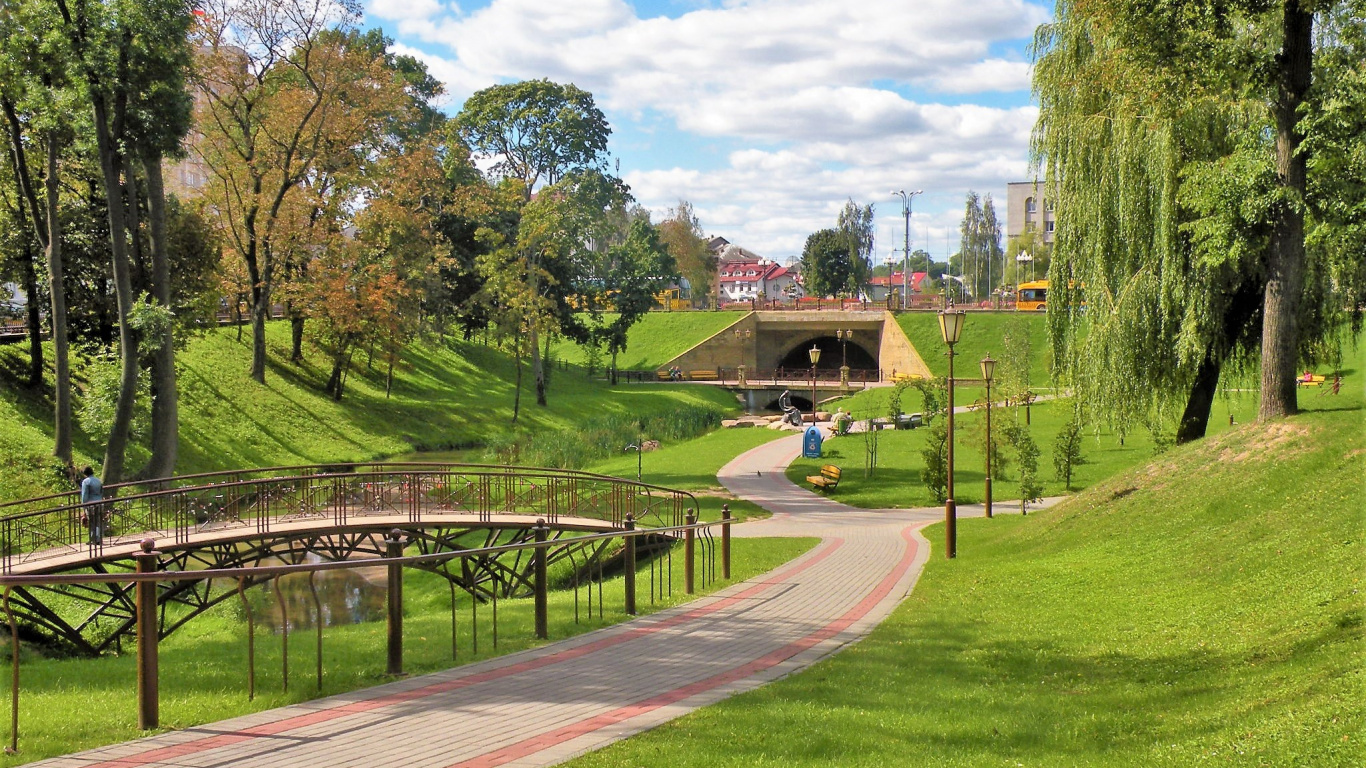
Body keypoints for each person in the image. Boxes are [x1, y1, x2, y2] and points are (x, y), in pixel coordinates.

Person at [80, 466, 104, 545]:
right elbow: (101, 492)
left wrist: (84, 505)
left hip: (91, 504)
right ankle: (99, 539)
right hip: (100, 502)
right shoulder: (98, 481)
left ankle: (92, 539)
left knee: (92, 522)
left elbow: (84, 495)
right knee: (98, 522)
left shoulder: (86, 482)